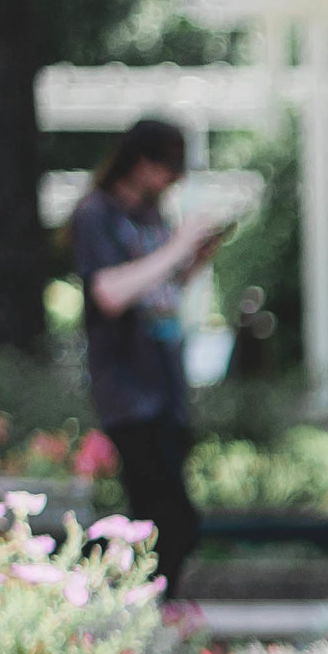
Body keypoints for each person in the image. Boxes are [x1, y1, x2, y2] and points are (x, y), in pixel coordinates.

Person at [69, 121, 226, 597]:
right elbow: (110, 293)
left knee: (157, 518)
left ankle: (140, 607)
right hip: (127, 388)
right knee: (171, 518)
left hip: (165, 386)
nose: (174, 181)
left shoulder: (153, 216)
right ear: (142, 162)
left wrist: (193, 259)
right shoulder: (96, 215)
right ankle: (114, 598)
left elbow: (160, 293)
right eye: (169, 168)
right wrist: (176, 247)